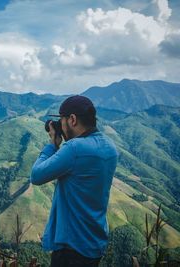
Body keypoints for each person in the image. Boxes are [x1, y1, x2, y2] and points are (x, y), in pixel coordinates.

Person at [30, 95, 118, 267]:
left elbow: (37, 175)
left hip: (72, 247)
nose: (61, 125)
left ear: (72, 119)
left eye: (61, 120)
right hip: (94, 240)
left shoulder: (74, 149)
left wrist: (53, 144)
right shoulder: (110, 147)